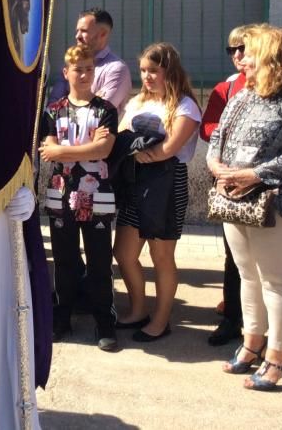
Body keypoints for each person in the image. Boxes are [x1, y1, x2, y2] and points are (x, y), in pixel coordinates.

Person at [208, 24, 282, 391]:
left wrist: (253, 175)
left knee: (276, 280)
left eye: (251, 52)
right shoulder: (243, 95)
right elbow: (217, 138)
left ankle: (280, 355)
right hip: (234, 199)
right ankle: (252, 342)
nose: (243, 58)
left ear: (273, 57)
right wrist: (217, 167)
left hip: (281, 202)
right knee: (247, 276)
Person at [113, 42, 201, 342]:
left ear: (169, 71)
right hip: (135, 180)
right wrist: (132, 152)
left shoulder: (186, 106)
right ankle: (139, 309)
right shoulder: (137, 102)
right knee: (123, 253)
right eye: (143, 71)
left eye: (154, 71)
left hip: (167, 181)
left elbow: (168, 150)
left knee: (161, 256)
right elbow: (121, 137)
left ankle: (161, 320)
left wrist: (136, 153)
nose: (147, 77)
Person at [40, 44, 119, 351]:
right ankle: (62, 317)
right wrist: (73, 150)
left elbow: (103, 150)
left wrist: (64, 151)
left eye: (89, 68)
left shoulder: (105, 110)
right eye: (78, 69)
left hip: (96, 194)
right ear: (66, 72)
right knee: (64, 261)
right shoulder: (53, 110)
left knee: (100, 262)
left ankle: (104, 320)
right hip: (62, 195)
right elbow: (48, 151)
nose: (84, 74)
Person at [199, 25, 252, 347]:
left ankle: (280, 334)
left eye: (243, 48)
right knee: (235, 256)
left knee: (278, 265)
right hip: (231, 183)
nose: (238, 55)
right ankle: (233, 317)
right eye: (232, 50)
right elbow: (207, 128)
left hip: (270, 185)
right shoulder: (226, 88)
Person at [49, 7, 132, 113]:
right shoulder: (71, 64)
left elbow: (98, 113)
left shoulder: (116, 69)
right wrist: (93, 99)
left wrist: (68, 105)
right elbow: (52, 108)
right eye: (77, 31)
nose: (77, 36)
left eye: (84, 31)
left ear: (103, 34)